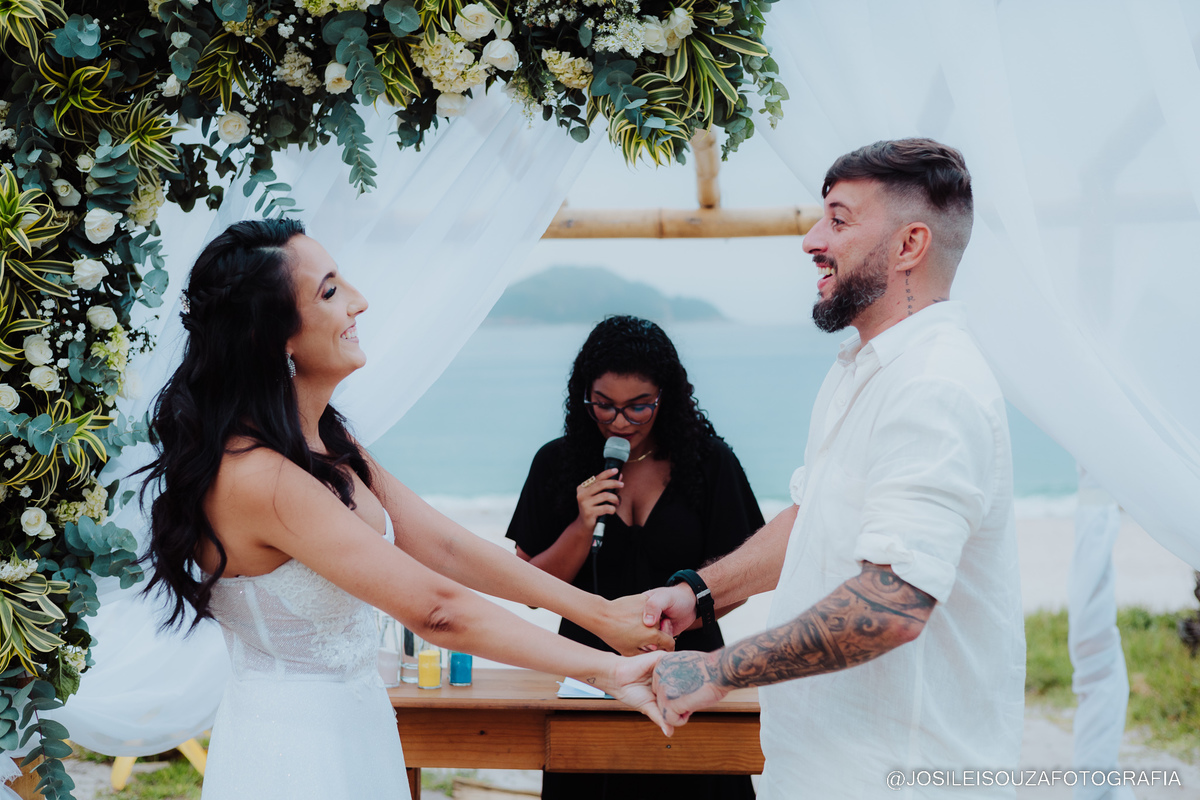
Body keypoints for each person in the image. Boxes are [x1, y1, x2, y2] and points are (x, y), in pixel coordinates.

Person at [140, 220, 674, 800]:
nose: (359, 301)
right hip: (297, 753)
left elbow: (446, 547)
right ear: (275, 338)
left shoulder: (326, 445)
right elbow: (437, 610)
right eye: (330, 291)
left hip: (359, 726)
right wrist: (607, 669)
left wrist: (602, 614)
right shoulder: (260, 478)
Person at [643, 139, 1025, 798]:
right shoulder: (862, 369)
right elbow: (813, 519)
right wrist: (700, 595)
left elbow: (893, 603)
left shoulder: (935, 385)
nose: (811, 240)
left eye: (838, 221)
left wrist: (717, 671)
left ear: (909, 245)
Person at [507, 315, 762, 800]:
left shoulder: (710, 463)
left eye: (638, 406)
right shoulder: (556, 463)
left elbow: (743, 579)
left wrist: (669, 626)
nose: (619, 421)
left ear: (666, 397)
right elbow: (530, 589)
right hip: (587, 680)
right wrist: (582, 525)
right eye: (603, 405)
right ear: (583, 395)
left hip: (690, 676)